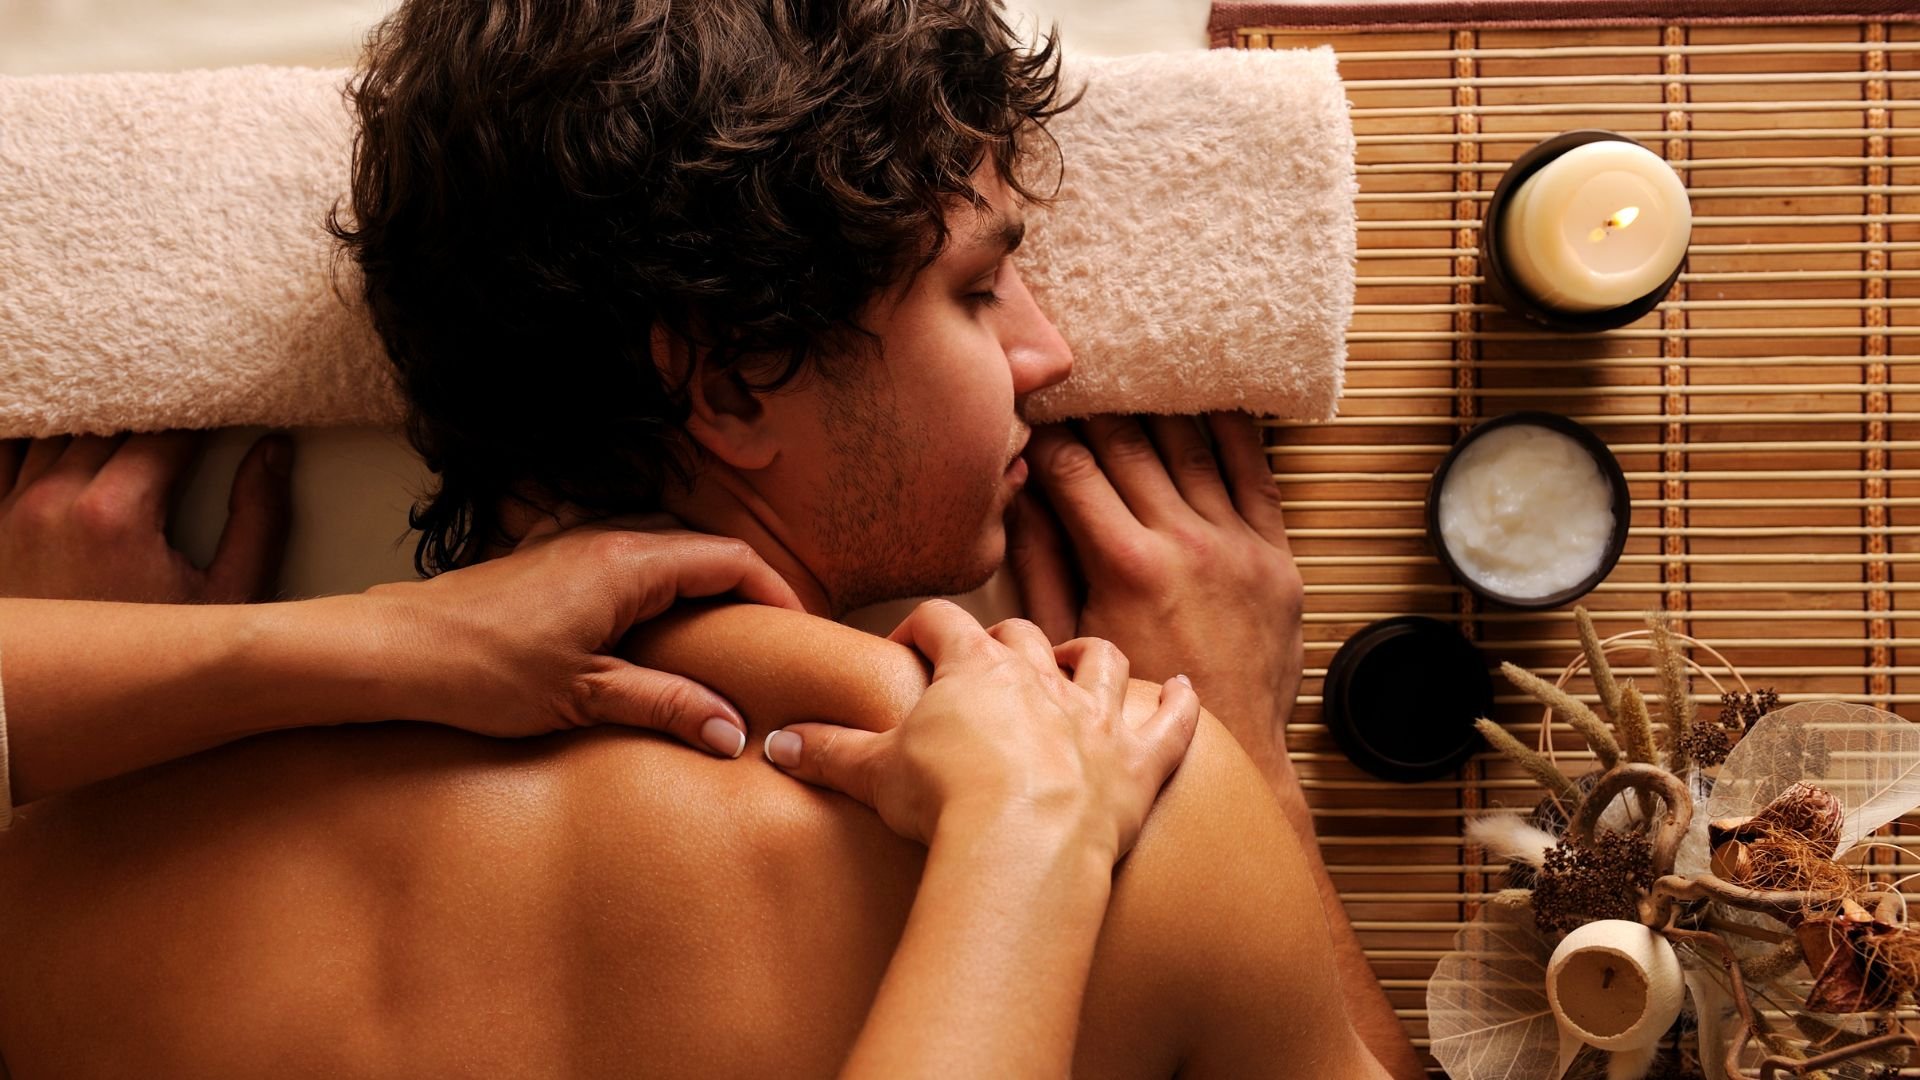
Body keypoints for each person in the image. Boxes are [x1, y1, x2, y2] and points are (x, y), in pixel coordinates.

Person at [0, 0, 1424, 1076]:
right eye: (982, 290)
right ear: (733, 377)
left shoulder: (60, 877)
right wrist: (1251, 769)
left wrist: (106, 692)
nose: (1050, 353)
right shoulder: (1143, 828)